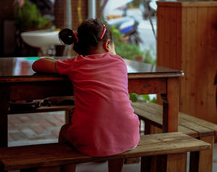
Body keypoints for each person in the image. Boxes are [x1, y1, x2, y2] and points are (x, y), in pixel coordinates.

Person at [32, 18, 140, 172]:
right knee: (117, 126)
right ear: (108, 44)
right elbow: (112, 55)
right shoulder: (120, 63)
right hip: (129, 136)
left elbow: (37, 64)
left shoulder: (76, 64)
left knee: (64, 131)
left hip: (89, 140)